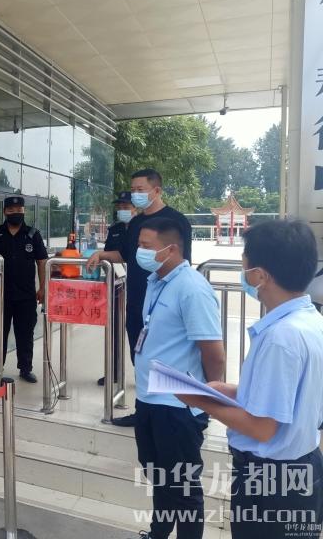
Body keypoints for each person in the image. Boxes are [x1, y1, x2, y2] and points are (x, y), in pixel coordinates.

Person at [176, 219, 323, 539]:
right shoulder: (310, 320)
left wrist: (200, 400)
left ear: (260, 275)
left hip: (272, 483)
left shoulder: (281, 338)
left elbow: (262, 427)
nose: (243, 273)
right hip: (303, 470)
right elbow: (290, 397)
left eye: (245, 265)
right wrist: (229, 391)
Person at [131, 217, 225, 539]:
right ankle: (158, 533)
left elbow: (213, 353)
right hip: (148, 398)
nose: (139, 251)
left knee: (183, 488)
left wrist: (208, 400)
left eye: (146, 246)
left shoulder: (192, 289)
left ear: (170, 249)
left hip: (177, 406)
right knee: (158, 475)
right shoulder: (156, 281)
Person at [88, 169, 192, 426]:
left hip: (165, 304)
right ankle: (143, 411)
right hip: (136, 302)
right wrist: (101, 255)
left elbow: (183, 263)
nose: (135, 195)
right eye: (133, 190)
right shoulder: (135, 223)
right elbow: (124, 255)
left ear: (156, 190)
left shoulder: (176, 221)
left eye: (140, 190)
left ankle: (178, 411)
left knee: (168, 360)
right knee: (142, 358)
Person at [0, 195, 48, 383]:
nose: (15, 213)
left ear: (24, 211)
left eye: (19, 210)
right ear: (5, 212)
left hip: (26, 295)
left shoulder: (33, 234)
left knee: (25, 333)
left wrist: (42, 288)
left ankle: (25, 369)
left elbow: (42, 262)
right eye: (11, 210)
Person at [97, 191, 137, 386]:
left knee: (137, 330)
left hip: (138, 286)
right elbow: (108, 254)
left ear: (135, 207)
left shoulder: (143, 227)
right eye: (119, 207)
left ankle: (141, 374)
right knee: (113, 329)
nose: (121, 210)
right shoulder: (115, 229)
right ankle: (113, 372)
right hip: (116, 286)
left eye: (125, 206)